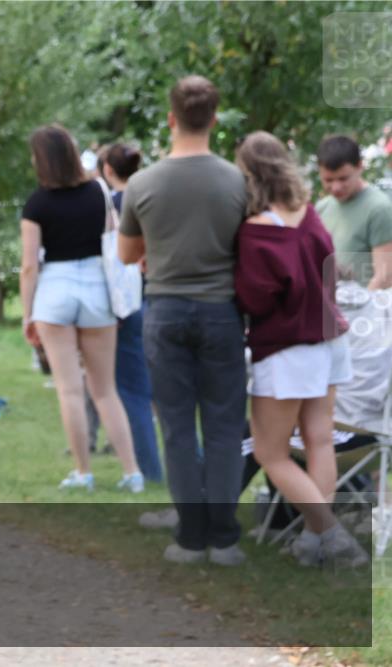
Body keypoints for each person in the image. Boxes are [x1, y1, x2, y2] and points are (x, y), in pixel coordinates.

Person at [118, 75, 248, 565]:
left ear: (171, 118)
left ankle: (190, 539)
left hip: (166, 310)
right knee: (223, 425)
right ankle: (225, 539)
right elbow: (247, 248)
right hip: (222, 312)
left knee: (175, 426)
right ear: (214, 119)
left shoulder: (143, 183)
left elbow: (128, 253)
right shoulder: (238, 181)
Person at [234, 131, 369, 568]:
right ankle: (313, 542)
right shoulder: (309, 215)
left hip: (288, 347)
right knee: (319, 440)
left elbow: (256, 297)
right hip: (330, 340)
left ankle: (332, 535)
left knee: (268, 452)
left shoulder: (257, 232)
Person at [20, 124, 143, 493]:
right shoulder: (98, 192)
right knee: (105, 390)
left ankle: (83, 473)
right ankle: (131, 472)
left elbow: (29, 265)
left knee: (69, 390)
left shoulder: (36, 203)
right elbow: (114, 238)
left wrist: (28, 316)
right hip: (96, 289)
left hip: (54, 292)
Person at [91, 142, 164, 483]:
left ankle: (150, 469)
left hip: (127, 306)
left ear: (107, 170)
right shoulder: (154, 201)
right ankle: (193, 462)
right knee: (165, 391)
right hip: (158, 299)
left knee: (133, 391)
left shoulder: (112, 207)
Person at [315, 134, 392, 291]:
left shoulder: (379, 209)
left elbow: (385, 276)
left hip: (364, 311)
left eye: (343, 178)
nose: (336, 187)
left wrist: (357, 310)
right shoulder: (322, 208)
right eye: (328, 180)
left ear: (359, 167)